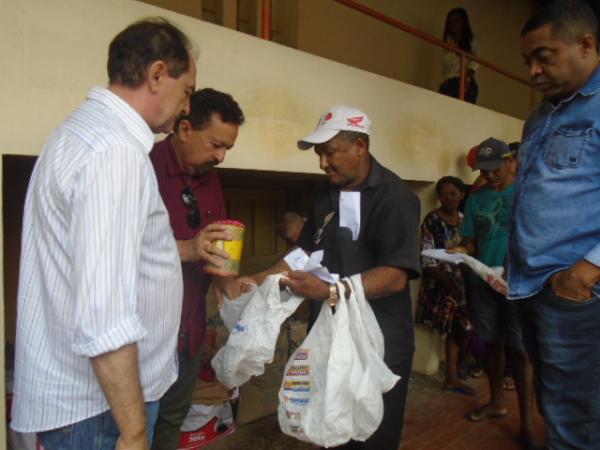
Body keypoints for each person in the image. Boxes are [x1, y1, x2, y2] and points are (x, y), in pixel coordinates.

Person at [10, 18, 196, 450]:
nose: (187, 108)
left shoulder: (80, 133)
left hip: (92, 405)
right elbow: (105, 317)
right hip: (101, 411)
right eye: (187, 91)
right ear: (157, 74)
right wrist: (132, 433)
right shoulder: (114, 154)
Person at [252, 105, 421, 449]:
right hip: (329, 333)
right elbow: (302, 252)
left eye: (329, 153)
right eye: (319, 154)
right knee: (329, 421)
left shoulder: (395, 198)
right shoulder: (326, 195)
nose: (322, 163)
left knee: (372, 429)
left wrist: (330, 290)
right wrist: (258, 279)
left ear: (360, 145)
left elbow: (395, 276)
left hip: (378, 338)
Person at [509, 1, 600, 448]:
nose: (533, 71)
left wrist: (584, 274)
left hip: (577, 294)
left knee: (576, 422)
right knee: (555, 407)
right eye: (528, 60)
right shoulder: (540, 117)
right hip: (533, 288)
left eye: (543, 56)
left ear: (586, 45)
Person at [149, 88, 245, 449]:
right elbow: (120, 250)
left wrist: (234, 289)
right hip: (147, 337)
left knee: (172, 421)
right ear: (185, 129)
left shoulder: (210, 177)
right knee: (135, 425)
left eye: (227, 149)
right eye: (216, 144)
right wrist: (188, 249)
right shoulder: (143, 165)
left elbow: (219, 247)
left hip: (188, 332)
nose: (220, 156)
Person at [450, 138, 539, 449]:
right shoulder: (476, 199)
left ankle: (528, 423)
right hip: (484, 282)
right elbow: (473, 240)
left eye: (494, 169)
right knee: (492, 345)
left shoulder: (529, 193)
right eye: (484, 172)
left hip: (519, 284)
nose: (489, 177)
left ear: (510, 161)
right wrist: (461, 250)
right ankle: (496, 402)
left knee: (520, 350)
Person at [415, 176, 474, 395]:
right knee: (454, 328)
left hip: (462, 281)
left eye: (453, 193)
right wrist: (451, 284)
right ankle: (453, 375)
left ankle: (457, 369)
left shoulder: (464, 219)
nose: (448, 198)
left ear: (462, 195)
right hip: (441, 283)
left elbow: (469, 248)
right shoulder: (432, 220)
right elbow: (428, 259)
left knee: (462, 328)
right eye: (443, 194)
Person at [439, 7, 480, 103]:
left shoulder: (471, 40)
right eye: (450, 22)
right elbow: (447, 69)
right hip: (449, 83)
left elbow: (475, 61)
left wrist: (467, 79)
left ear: (463, 23)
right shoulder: (448, 43)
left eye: (456, 21)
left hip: (463, 82)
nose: (452, 25)